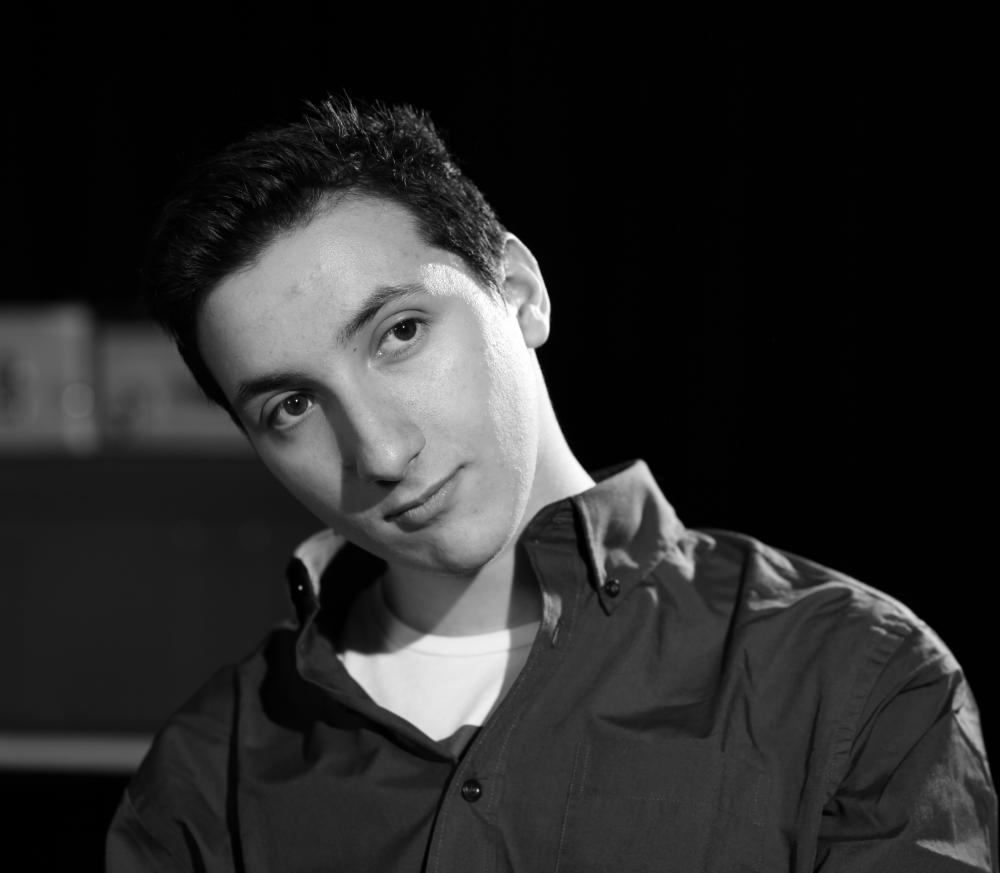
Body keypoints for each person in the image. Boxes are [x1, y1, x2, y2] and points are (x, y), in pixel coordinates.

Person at [106, 98, 997, 872]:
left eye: (400, 332)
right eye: (293, 405)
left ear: (520, 290)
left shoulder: (850, 676)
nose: (378, 450)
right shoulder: (208, 771)